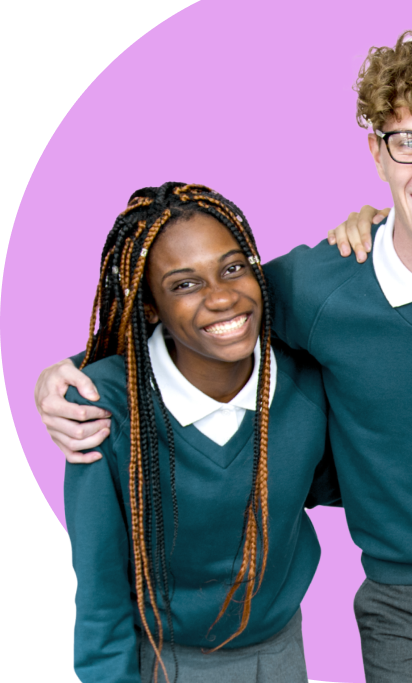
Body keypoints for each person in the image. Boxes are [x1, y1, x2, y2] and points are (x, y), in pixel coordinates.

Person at [39, 31, 412, 682]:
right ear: (378, 152)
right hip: (401, 595)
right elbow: (204, 319)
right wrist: (66, 379)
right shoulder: (314, 284)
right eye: (410, 141)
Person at [62, 182, 337, 683]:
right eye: (184, 284)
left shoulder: (307, 381)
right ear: (150, 307)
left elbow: (347, 483)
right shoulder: (105, 409)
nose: (222, 297)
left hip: (281, 651)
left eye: (234, 268)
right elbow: (99, 589)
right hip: (165, 662)